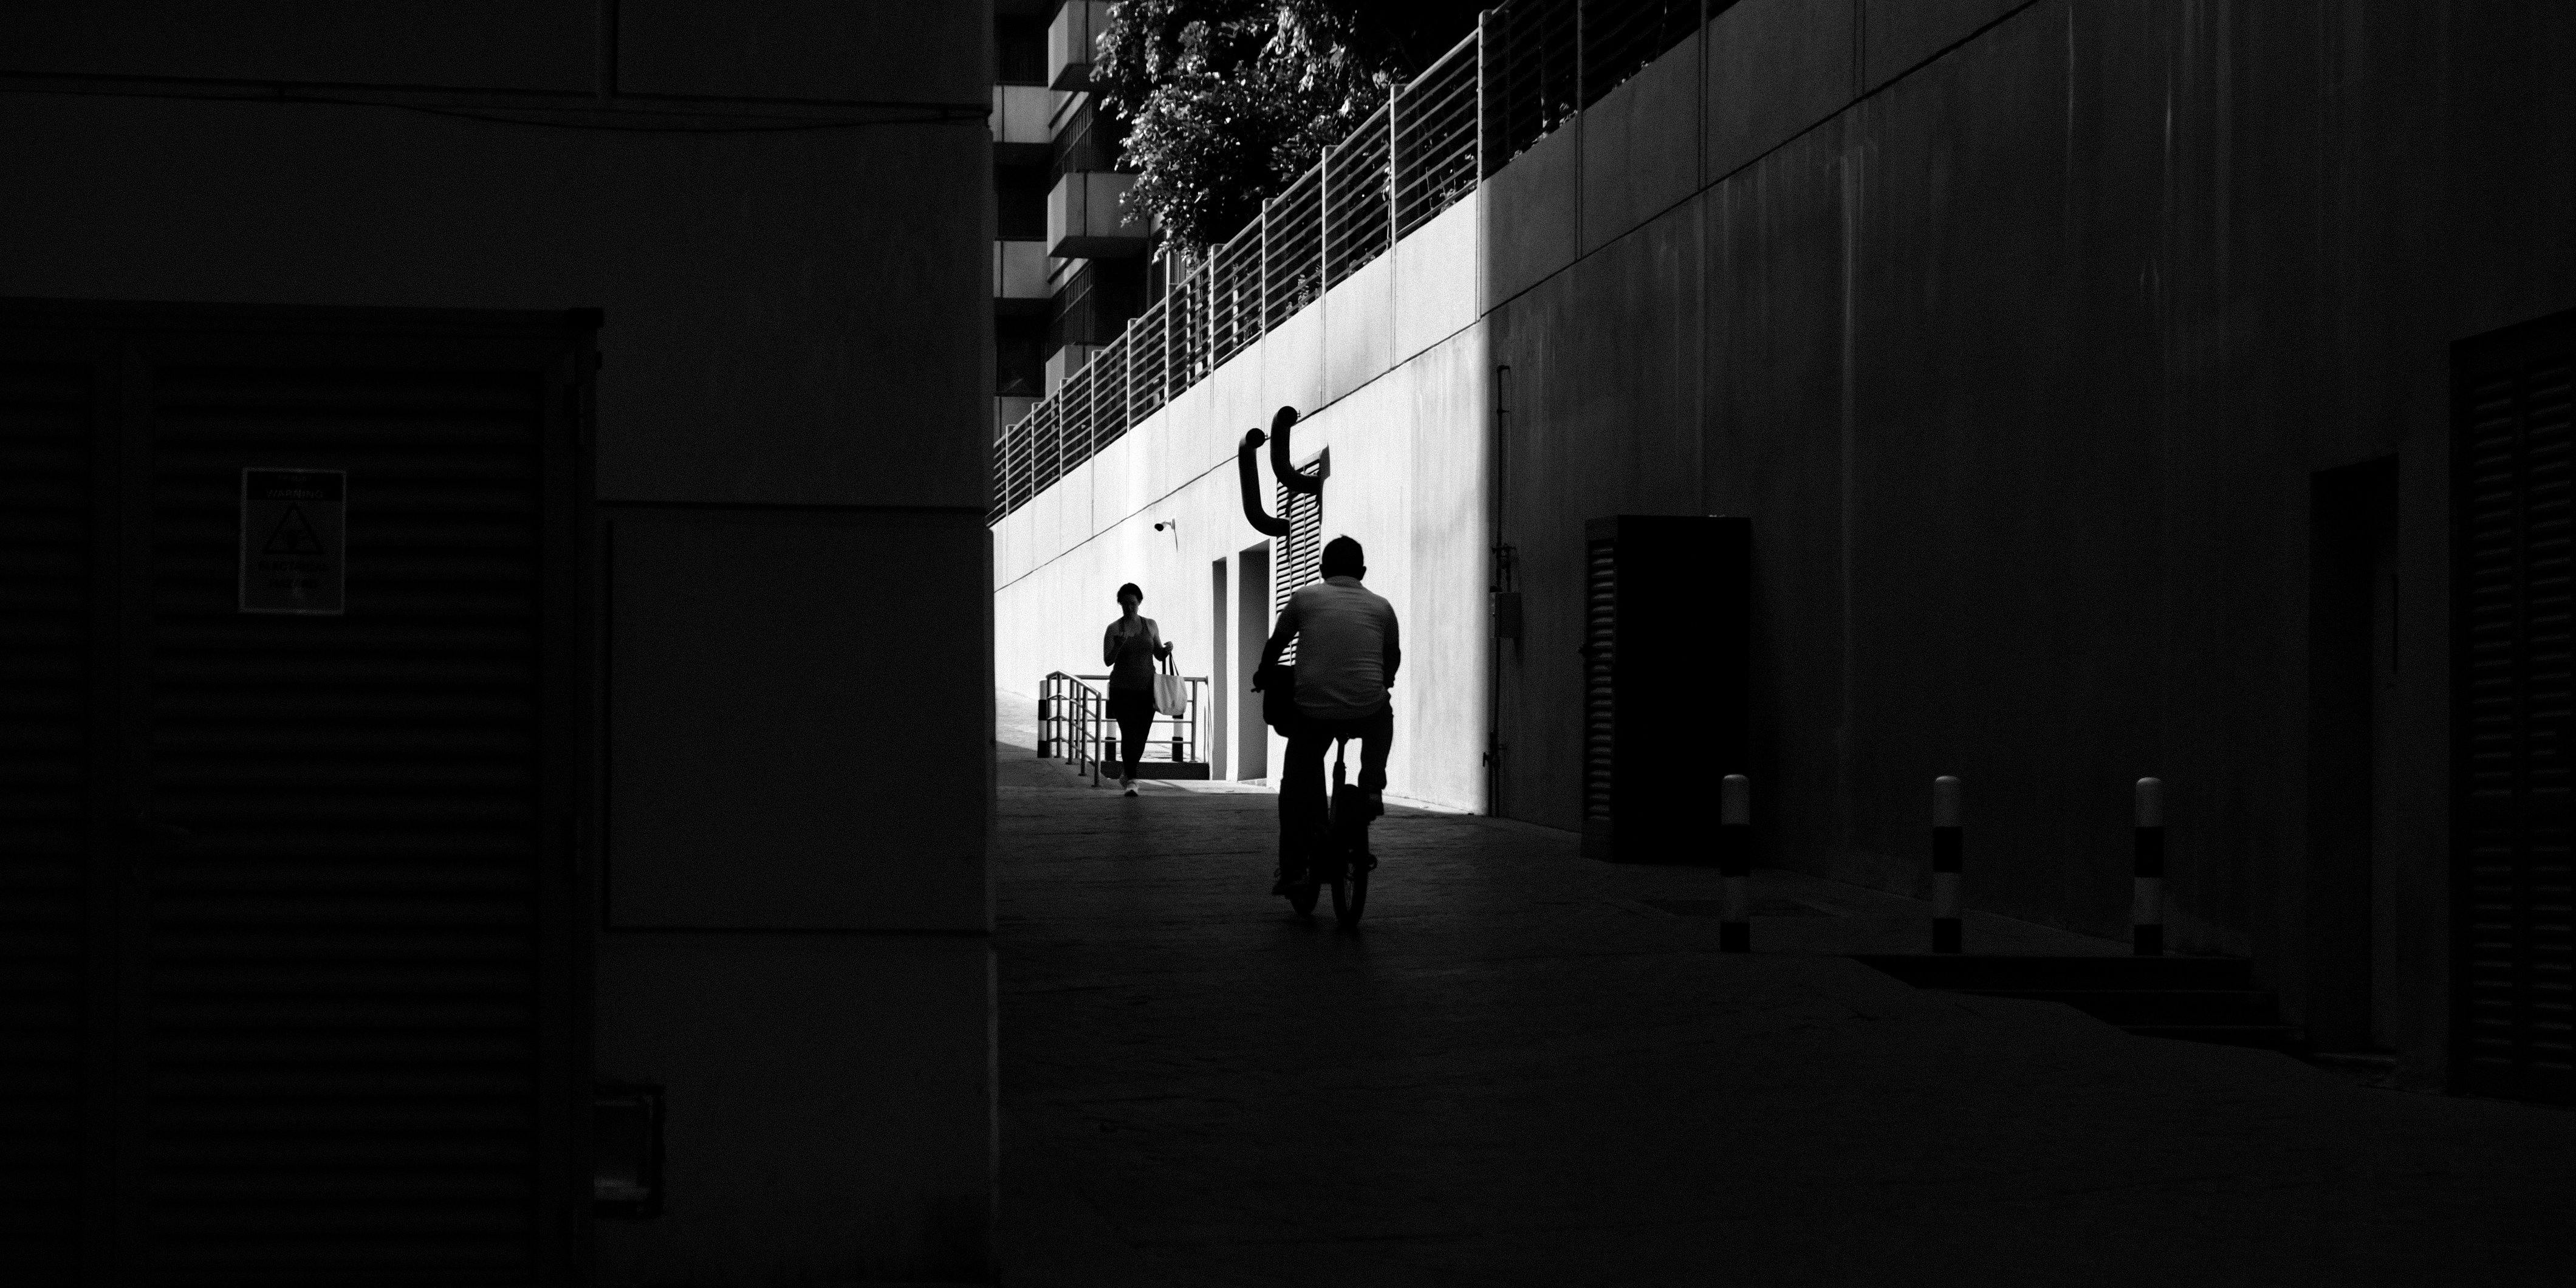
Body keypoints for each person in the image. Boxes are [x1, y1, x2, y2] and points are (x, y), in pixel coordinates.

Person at [1255, 536, 1399, 896]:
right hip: (1365, 710)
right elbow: (1392, 658)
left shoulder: (1304, 598)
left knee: (1294, 787)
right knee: (1385, 715)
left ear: (1321, 571)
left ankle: (1291, 870)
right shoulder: (1382, 607)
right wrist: (1383, 682)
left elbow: (1277, 644)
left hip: (1313, 712)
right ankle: (1370, 786)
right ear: (1363, 572)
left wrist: (1262, 673)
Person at [1101, 582, 1172, 797]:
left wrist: (1166, 649)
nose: (1129, 608)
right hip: (1122, 689)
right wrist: (1119, 644)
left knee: (1141, 735)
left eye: (1133, 603)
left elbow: (1158, 654)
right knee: (1129, 733)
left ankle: (1127, 773)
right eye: (1125, 604)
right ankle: (1132, 780)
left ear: (1140, 603)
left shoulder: (1150, 625)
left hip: (1146, 689)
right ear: (1119, 605)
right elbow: (1107, 660)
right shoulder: (1113, 629)